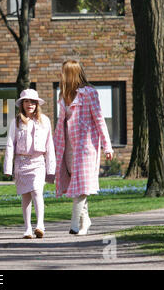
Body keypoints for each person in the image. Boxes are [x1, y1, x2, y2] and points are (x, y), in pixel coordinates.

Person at [54, 60, 114, 235]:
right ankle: (85, 220)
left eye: (63, 71)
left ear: (71, 74)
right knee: (78, 185)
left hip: (86, 147)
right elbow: (62, 123)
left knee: (81, 186)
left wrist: (107, 146)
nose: (60, 74)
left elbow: (99, 119)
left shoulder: (89, 93)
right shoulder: (63, 95)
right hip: (68, 147)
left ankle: (74, 225)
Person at [4, 89, 55, 239]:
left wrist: (51, 167)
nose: (30, 104)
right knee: (25, 196)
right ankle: (27, 228)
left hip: (38, 162)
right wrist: (8, 167)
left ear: (37, 104)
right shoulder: (16, 122)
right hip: (21, 163)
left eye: (33, 101)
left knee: (37, 191)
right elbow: (10, 144)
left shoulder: (45, 120)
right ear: (22, 104)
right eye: (27, 101)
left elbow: (49, 144)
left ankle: (40, 225)